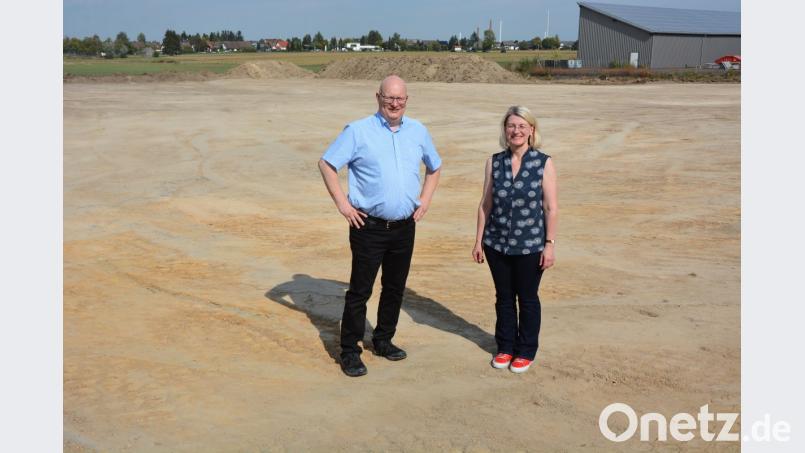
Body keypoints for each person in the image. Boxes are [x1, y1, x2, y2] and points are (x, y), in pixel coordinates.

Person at [318, 75, 442, 377]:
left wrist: (424, 200)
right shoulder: (358, 131)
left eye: (400, 98)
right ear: (378, 98)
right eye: (389, 98)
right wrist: (343, 205)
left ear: (407, 100)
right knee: (360, 290)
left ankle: (384, 340)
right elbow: (327, 164)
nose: (395, 104)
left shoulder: (418, 130)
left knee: (394, 288)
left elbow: (435, 167)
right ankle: (349, 351)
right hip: (368, 227)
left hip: (403, 227)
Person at [472, 106, 557, 373]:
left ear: (531, 130)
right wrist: (478, 241)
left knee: (528, 298)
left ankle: (526, 350)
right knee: (504, 298)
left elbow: (550, 208)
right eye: (511, 126)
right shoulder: (494, 162)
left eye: (522, 126)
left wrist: (549, 244)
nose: (516, 131)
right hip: (496, 244)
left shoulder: (543, 163)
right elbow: (485, 204)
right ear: (505, 130)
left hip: (531, 245)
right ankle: (506, 347)